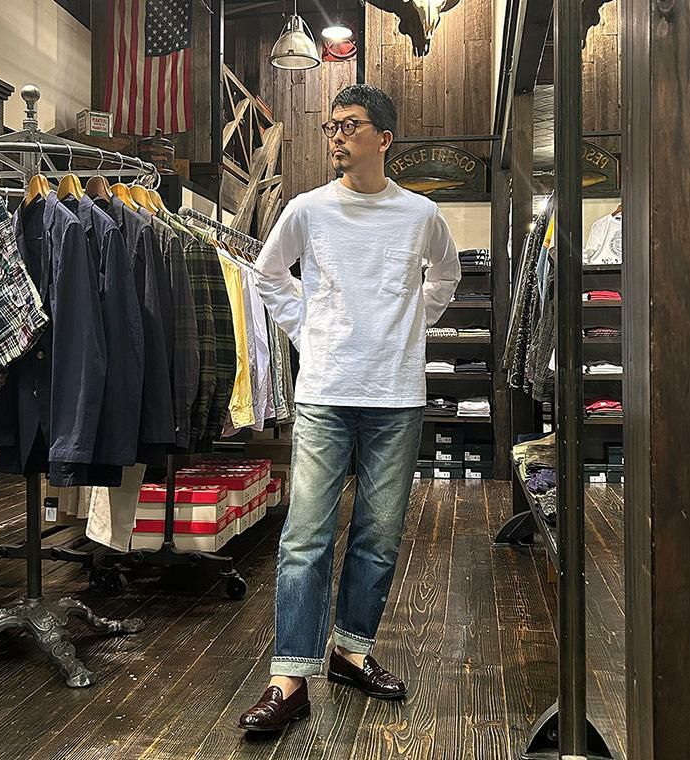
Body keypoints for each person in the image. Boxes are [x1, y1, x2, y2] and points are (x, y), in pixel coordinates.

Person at [239, 84, 461, 733]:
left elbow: (446, 276)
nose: (336, 135)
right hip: (325, 393)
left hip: (396, 395)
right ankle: (289, 678)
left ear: (384, 138)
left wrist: (412, 326)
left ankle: (351, 652)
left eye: (351, 125)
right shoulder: (308, 209)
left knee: (378, 536)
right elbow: (267, 274)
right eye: (331, 125)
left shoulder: (421, 215)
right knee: (305, 535)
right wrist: (306, 331)